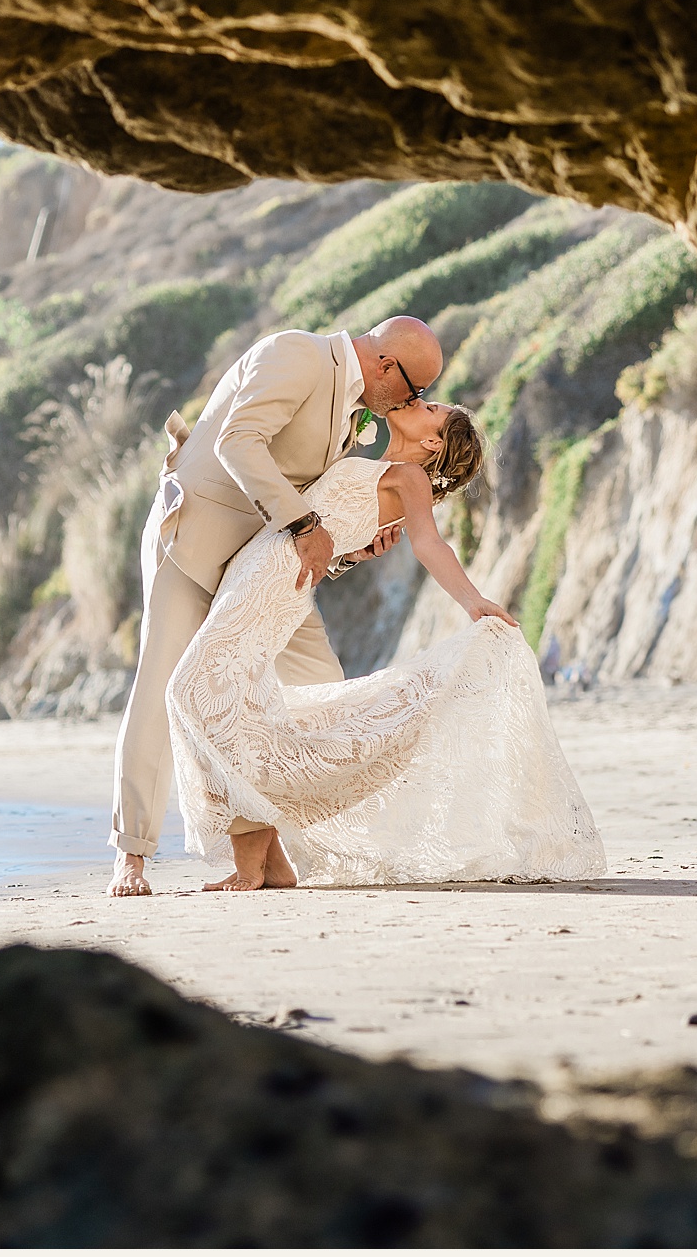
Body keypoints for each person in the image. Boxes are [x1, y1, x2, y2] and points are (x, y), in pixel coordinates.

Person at [164, 400, 605, 889]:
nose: (422, 400)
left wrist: (473, 601)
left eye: (433, 409)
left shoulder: (408, 478)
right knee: (238, 710)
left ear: (434, 442)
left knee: (190, 691)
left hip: (274, 583)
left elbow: (429, 544)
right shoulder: (370, 460)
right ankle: (267, 864)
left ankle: (258, 860)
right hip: (257, 571)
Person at [108, 316, 443, 897]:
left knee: (320, 686)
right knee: (164, 686)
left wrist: (349, 549)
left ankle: (283, 847)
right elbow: (237, 440)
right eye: (415, 390)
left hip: (264, 570)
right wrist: (307, 524)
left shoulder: (357, 418)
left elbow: (317, 513)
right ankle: (131, 855)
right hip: (192, 540)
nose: (414, 402)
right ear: (387, 366)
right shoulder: (297, 354)